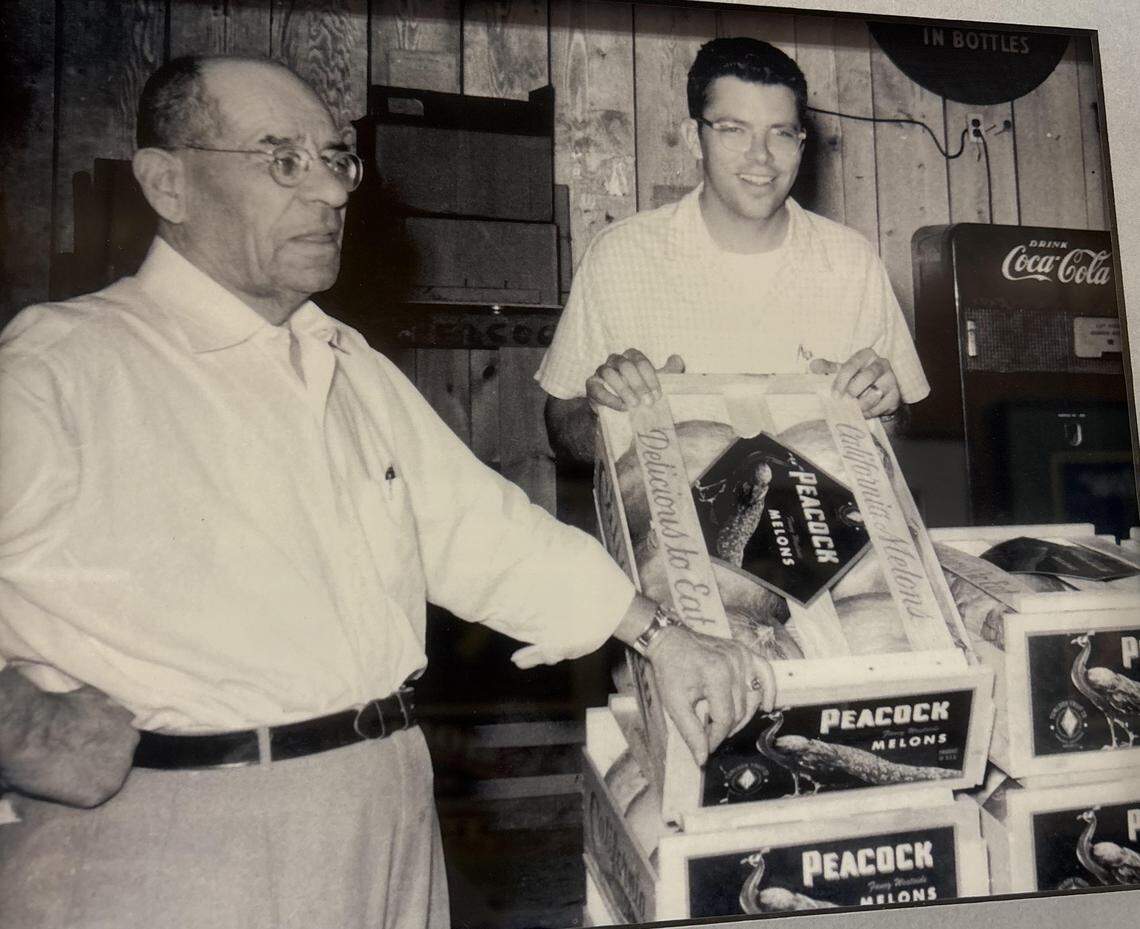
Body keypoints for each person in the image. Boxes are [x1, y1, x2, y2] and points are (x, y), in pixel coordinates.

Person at [0, 55, 774, 929]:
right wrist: (27, 728)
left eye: (336, 160)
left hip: (388, 806)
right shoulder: (66, 366)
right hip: (180, 829)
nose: (330, 193)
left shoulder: (345, 363)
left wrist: (665, 638)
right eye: (281, 160)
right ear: (167, 182)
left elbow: (489, 535)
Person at [537, 36, 930, 466]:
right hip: (671, 526)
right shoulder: (619, 255)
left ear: (800, 144)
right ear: (693, 138)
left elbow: (900, 434)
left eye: (780, 134)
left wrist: (888, 410)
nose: (760, 157)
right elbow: (561, 428)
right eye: (733, 130)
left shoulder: (855, 263)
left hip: (820, 526)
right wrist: (602, 412)